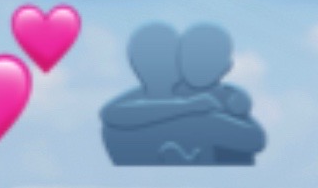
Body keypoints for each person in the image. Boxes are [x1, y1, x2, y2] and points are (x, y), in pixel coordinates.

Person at [99, 22, 266, 167]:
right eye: (190, 55)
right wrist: (188, 106)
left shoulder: (222, 99)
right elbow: (111, 113)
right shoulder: (189, 106)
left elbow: (254, 139)